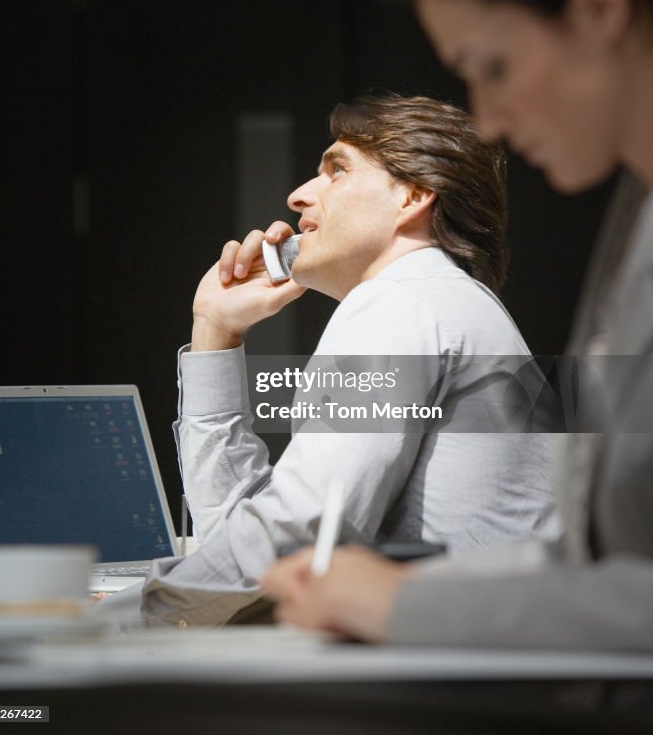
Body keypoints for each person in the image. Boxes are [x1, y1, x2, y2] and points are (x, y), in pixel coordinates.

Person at [262, 0, 653, 651]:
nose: (493, 121)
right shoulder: (635, 218)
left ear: (596, 5)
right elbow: (599, 559)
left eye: (494, 67)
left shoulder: (404, 301)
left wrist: (400, 604)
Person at [102, 93, 558, 627]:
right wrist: (215, 332)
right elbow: (243, 543)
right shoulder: (438, 300)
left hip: (445, 686)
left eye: (336, 170)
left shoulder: (400, 300)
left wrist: (111, 620)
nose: (297, 197)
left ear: (412, 195)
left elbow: (300, 531)